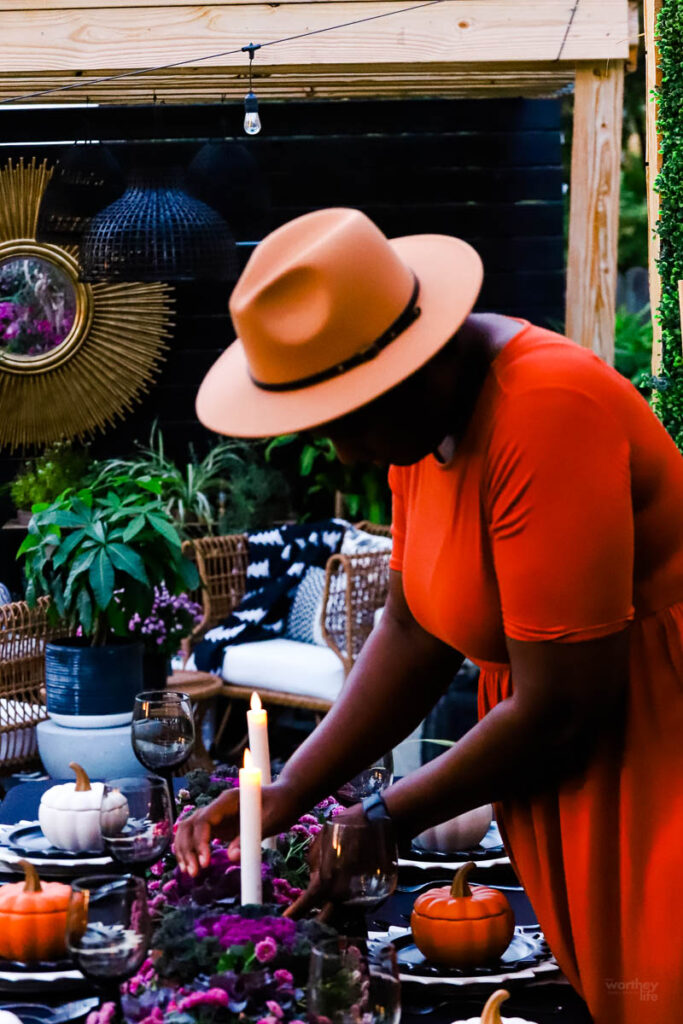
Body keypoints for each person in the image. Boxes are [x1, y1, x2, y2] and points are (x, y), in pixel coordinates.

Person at [176, 208, 683, 1024]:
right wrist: (286, 791)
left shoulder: (543, 409)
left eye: (347, 415)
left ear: (415, 362)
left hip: (654, 752)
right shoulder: (424, 427)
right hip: (556, 762)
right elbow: (414, 630)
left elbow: (563, 704)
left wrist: (385, 816)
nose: (341, 452)